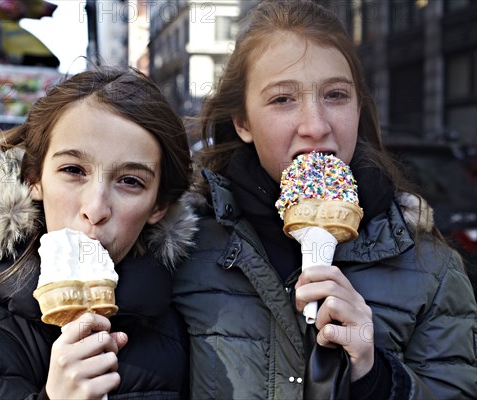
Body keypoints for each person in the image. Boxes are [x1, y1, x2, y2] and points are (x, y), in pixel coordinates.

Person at [172, 1, 477, 399]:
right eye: (282, 99)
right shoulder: (184, 250)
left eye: (335, 95)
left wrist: (375, 374)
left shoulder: (432, 268)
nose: (316, 125)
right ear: (243, 122)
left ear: (358, 107)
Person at [0, 66, 196, 399]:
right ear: (34, 179)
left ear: (158, 205)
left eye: (131, 181)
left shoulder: (185, 331)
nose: (96, 208)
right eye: (73, 170)